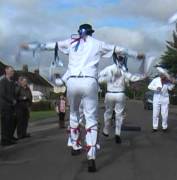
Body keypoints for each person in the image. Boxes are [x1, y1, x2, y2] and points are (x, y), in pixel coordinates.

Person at [21, 23, 145, 172]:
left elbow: (48, 45)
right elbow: (119, 49)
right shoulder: (98, 43)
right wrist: (136, 54)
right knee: (91, 118)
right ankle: (91, 155)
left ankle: (75, 145)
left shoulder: (70, 42)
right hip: (89, 81)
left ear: (79, 32)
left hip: (72, 81)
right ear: (91, 33)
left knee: (73, 114)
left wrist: (29, 46)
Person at [98, 51, 146, 144]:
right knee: (119, 115)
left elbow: (99, 77)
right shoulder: (124, 70)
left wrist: (106, 79)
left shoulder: (108, 68)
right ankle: (117, 133)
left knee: (108, 113)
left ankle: (106, 130)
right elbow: (132, 78)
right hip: (120, 94)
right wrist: (142, 76)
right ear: (123, 59)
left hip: (110, 94)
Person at [0, 66, 18, 146]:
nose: (12, 73)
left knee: (10, 123)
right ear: (6, 71)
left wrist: (15, 100)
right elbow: (2, 93)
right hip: (5, 106)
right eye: (11, 71)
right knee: (5, 123)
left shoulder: (12, 82)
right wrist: (12, 100)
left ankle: (9, 138)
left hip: (11, 106)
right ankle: (4, 140)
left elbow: (13, 93)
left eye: (13, 71)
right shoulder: (3, 81)